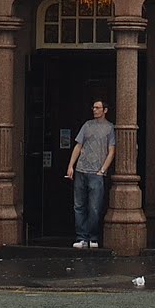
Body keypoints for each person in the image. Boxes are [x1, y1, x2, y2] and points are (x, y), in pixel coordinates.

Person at [65, 98, 115, 248]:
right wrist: (71, 166)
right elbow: (78, 146)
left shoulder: (110, 128)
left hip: (96, 172)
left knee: (94, 207)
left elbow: (111, 151)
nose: (94, 110)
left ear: (105, 110)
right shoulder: (87, 125)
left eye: (97, 108)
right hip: (81, 169)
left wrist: (102, 170)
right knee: (79, 205)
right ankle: (81, 237)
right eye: (93, 107)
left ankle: (92, 237)